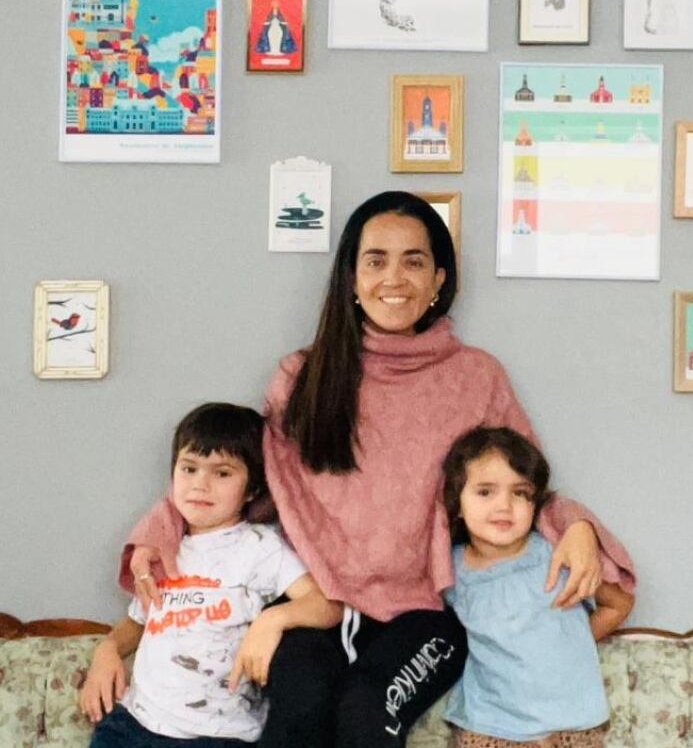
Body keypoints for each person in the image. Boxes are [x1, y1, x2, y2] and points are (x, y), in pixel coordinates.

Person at [120, 192, 635, 747]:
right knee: (296, 713)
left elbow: (525, 483)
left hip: (427, 614)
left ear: (439, 279)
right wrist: (161, 525)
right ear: (351, 277)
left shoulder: (477, 377)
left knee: (366, 713)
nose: (395, 277)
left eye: (414, 261)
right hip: (321, 607)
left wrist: (577, 526)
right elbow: (240, 476)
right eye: (376, 260)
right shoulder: (302, 376)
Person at [81, 403, 342, 747]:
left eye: (222, 473)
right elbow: (139, 619)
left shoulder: (258, 547)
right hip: (134, 726)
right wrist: (107, 650)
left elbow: (327, 604)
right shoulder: (161, 545)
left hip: (218, 735)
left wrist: (273, 620)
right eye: (189, 469)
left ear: (252, 489)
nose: (200, 485)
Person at [441, 426, 634, 748]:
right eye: (485, 492)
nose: (504, 505)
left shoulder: (556, 552)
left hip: (573, 725)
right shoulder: (450, 568)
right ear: (457, 503)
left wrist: (568, 641)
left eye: (520, 493)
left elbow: (618, 603)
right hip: (489, 727)